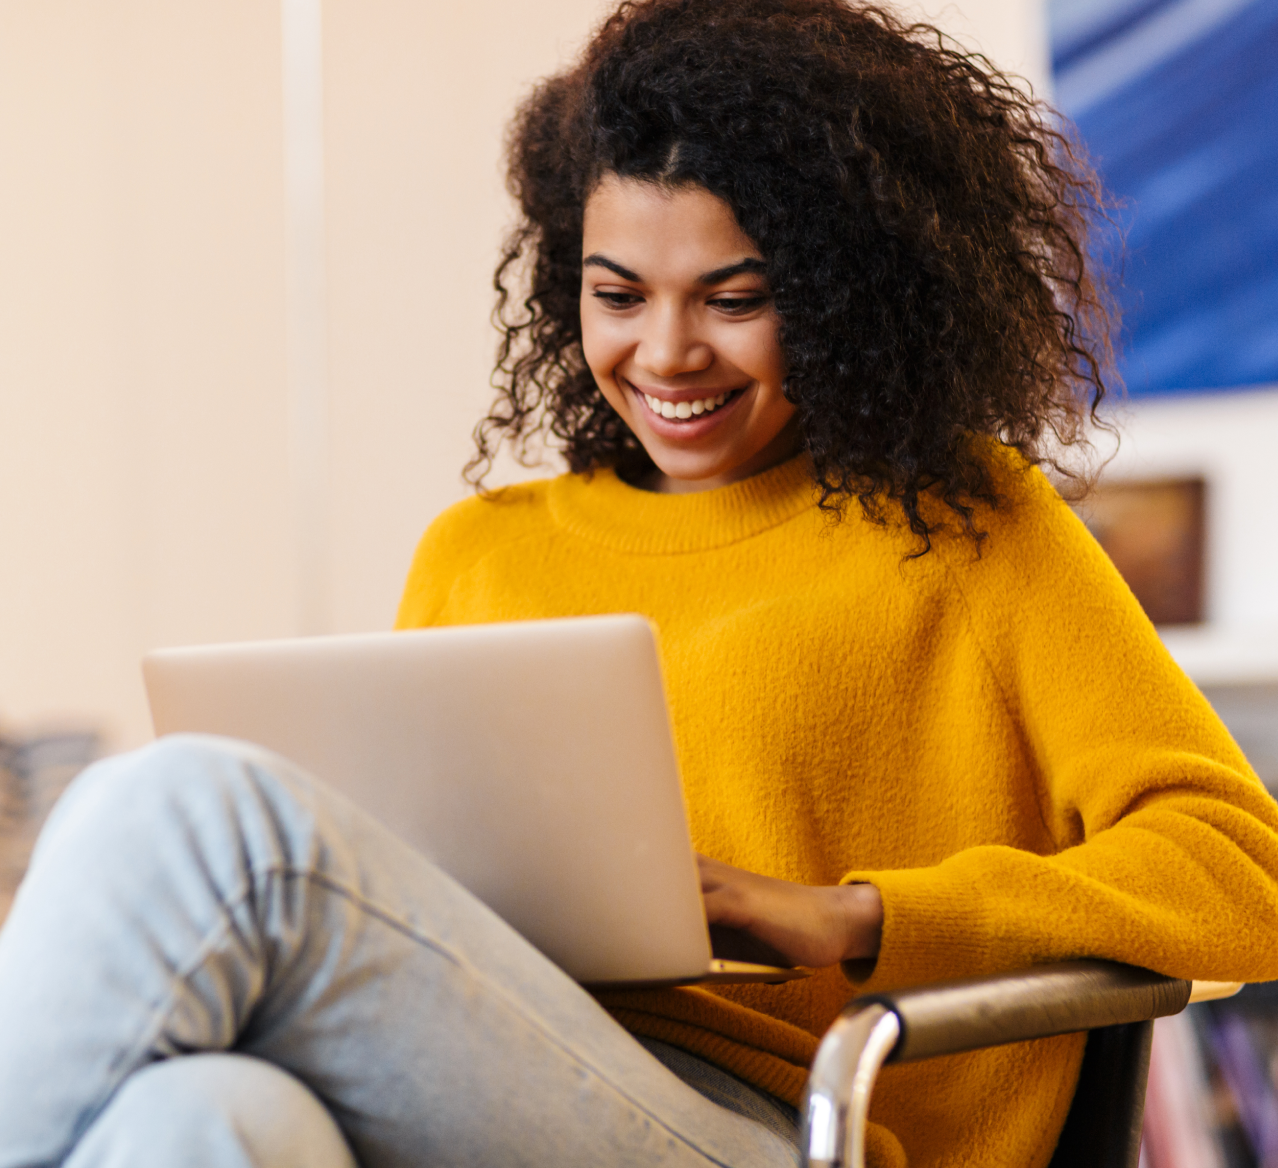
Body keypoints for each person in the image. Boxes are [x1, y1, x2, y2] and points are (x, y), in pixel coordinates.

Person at [3, 1, 1278, 1166]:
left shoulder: (969, 527)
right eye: (618, 294)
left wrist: (852, 916)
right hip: (496, 1061)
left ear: (845, 297)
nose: (665, 351)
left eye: (735, 299)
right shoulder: (481, 549)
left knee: (181, 806)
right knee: (207, 1119)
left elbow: (1241, 871)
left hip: (782, 1118)